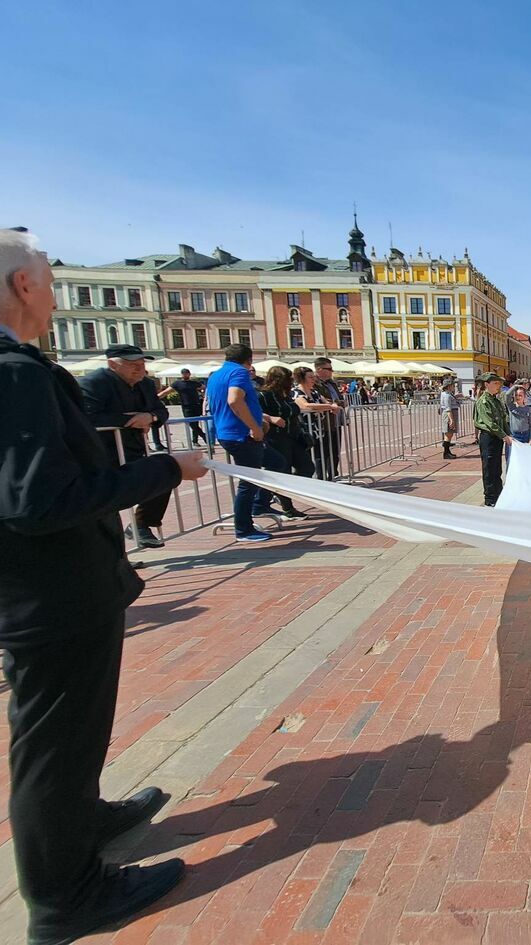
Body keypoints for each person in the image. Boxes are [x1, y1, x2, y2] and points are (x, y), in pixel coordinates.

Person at [0, 229, 208, 945]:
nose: (56, 299)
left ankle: (81, 820)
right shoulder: (17, 374)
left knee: (66, 739)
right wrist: (165, 470)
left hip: (41, 593)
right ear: (23, 286)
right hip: (52, 596)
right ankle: (67, 896)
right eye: (51, 282)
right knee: (55, 746)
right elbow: (40, 500)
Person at [80, 345, 174, 548]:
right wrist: (129, 421)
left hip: (133, 448)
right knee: (106, 503)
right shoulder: (93, 383)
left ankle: (141, 524)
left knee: (165, 474)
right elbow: (86, 416)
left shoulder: (146, 384)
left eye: (142, 364)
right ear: (113, 364)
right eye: (133, 365)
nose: (140, 369)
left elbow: (161, 410)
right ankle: (114, 553)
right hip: (102, 452)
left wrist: (150, 416)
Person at [205, 344, 288, 541]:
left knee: (276, 462)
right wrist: (254, 427)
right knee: (249, 482)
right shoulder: (239, 372)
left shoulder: (216, 375)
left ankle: (260, 505)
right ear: (249, 360)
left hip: (231, 433)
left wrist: (261, 419)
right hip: (241, 435)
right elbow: (234, 400)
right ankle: (243, 529)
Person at [258, 366, 313, 521]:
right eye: (287, 379)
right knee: (284, 471)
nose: (290, 381)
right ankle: (288, 508)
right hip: (276, 437)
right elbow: (254, 411)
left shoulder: (285, 394)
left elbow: (294, 410)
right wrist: (271, 418)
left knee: (307, 467)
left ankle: (282, 491)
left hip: (294, 436)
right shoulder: (263, 395)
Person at [292, 366, 342, 478]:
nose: (313, 379)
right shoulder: (296, 392)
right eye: (310, 377)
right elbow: (306, 406)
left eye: (313, 377)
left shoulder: (314, 392)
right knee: (306, 459)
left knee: (321, 456)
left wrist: (331, 406)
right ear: (301, 378)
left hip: (318, 429)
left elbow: (327, 402)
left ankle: (322, 478)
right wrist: (329, 407)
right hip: (304, 430)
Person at [473, 372, 511, 506]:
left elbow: (503, 420)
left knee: (497, 468)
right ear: (487, 384)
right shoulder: (483, 401)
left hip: (497, 437)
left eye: (499, 383)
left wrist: (508, 433)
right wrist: (504, 436)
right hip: (488, 437)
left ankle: (498, 494)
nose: (498, 385)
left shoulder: (496, 400)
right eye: (495, 383)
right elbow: (489, 423)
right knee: (489, 468)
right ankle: (489, 499)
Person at [312, 357, 346, 478]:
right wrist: (335, 403)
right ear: (319, 369)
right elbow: (320, 400)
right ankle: (322, 477)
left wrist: (339, 403)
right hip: (323, 423)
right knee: (323, 452)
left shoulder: (332, 383)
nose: (332, 371)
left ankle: (333, 475)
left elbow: (339, 399)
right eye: (329, 369)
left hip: (336, 421)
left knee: (335, 451)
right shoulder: (314, 383)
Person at [159, 367, 207, 446]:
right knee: (191, 423)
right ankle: (203, 436)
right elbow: (166, 392)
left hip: (196, 405)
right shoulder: (177, 383)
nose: (185, 375)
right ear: (181, 375)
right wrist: (156, 397)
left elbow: (204, 388)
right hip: (186, 406)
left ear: (189, 374)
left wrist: (203, 394)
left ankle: (195, 441)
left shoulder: (194, 383)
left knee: (195, 423)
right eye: (183, 374)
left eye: (186, 373)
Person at [506, 384, 531, 468]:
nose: (518, 397)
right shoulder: (512, 407)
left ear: (524, 397)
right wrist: (515, 386)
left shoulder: (528, 410)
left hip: (525, 436)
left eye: (520, 395)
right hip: (515, 436)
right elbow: (507, 395)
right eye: (516, 395)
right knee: (511, 459)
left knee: (524, 459)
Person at [439, 380, 460, 459]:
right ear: (448, 386)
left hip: (452, 413)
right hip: (449, 414)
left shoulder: (448, 394)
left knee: (449, 434)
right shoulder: (447, 395)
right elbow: (448, 408)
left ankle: (447, 452)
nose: (454, 387)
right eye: (452, 385)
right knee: (448, 433)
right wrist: (451, 419)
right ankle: (446, 453)